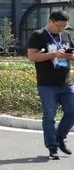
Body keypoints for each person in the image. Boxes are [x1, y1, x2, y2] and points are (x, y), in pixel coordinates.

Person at [26, 10, 74, 160]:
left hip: (66, 82)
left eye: (64, 26)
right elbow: (31, 56)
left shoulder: (66, 35)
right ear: (50, 21)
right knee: (49, 116)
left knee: (72, 111)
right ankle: (52, 147)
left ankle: (60, 138)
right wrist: (54, 54)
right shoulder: (38, 35)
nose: (61, 29)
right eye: (59, 26)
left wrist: (70, 56)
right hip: (47, 84)